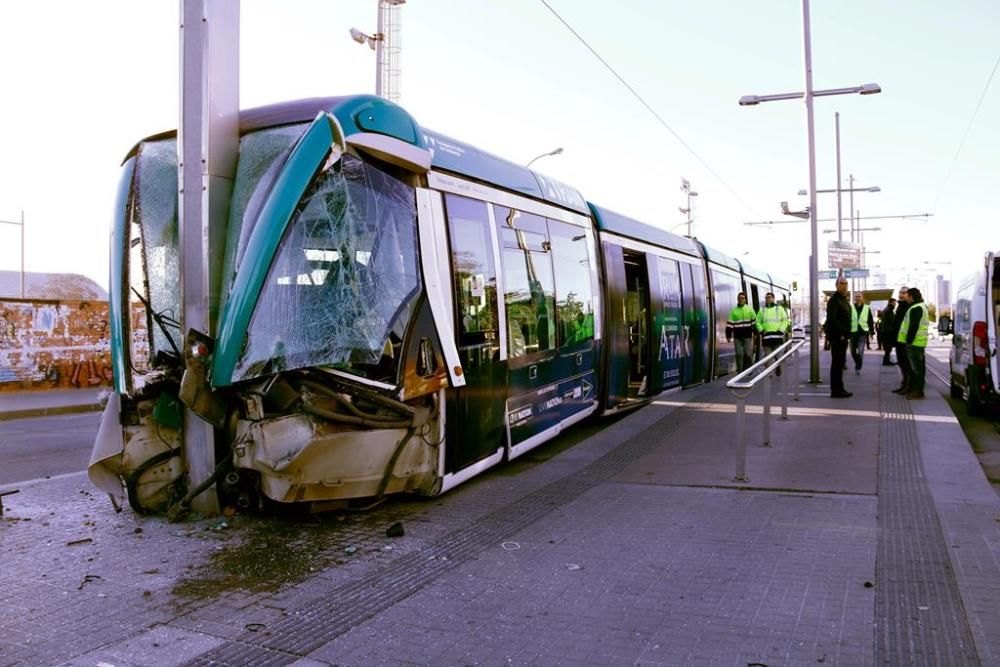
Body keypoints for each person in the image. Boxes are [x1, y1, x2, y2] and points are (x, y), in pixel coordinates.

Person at [826, 276, 853, 398]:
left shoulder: (843, 299)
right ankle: (836, 390)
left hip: (843, 337)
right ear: (836, 285)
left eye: (846, 283)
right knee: (837, 363)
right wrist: (841, 334)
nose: (844, 286)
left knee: (840, 363)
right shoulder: (834, 300)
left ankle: (839, 388)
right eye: (841, 283)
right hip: (838, 338)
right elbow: (832, 319)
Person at [901, 287, 929, 399]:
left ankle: (918, 392)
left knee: (916, 369)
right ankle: (918, 391)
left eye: (907, 296)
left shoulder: (915, 308)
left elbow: (913, 327)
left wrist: (908, 341)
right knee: (919, 368)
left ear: (911, 297)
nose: (905, 298)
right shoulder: (922, 306)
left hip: (914, 343)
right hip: (920, 342)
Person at [755, 292, 789, 375]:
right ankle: (769, 373)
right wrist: (762, 331)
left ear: (773, 298)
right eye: (766, 298)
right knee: (767, 357)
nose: (768, 299)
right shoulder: (762, 310)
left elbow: (785, 320)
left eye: (769, 297)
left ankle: (778, 366)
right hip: (766, 338)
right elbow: (757, 322)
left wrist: (781, 330)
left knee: (778, 355)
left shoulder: (779, 309)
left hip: (777, 337)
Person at [725, 291, 756, 373]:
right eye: (739, 298)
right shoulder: (733, 311)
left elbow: (754, 323)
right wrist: (728, 335)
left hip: (747, 336)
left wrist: (755, 334)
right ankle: (740, 371)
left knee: (748, 354)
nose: (740, 300)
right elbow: (729, 324)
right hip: (737, 337)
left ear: (745, 300)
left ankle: (750, 368)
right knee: (738, 354)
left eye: (742, 298)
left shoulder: (750, 310)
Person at [892, 287, 912, 394]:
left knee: (906, 364)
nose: (901, 294)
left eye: (904, 293)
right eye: (900, 292)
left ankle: (908, 386)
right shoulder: (900, 306)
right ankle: (904, 384)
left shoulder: (909, 307)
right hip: (899, 340)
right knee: (901, 363)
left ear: (908, 295)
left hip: (905, 341)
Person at [849, 291, 874, 375]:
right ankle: (858, 362)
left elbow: (870, 321)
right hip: (853, 332)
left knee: (860, 351)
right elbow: (848, 320)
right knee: (852, 351)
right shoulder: (851, 307)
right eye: (856, 296)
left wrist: (872, 332)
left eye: (859, 296)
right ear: (854, 298)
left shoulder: (867, 308)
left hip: (863, 332)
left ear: (862, 298)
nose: (857, 298)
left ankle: (858, 366)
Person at [879, 298, 897, 365]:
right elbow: (893, 321)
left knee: (887, 348)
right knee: (888, 348)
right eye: (894, 303)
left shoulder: (886, 309)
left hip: (885, 331)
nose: (895, 305)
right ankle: (886, 361)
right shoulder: (889, 310)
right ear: (891, 302)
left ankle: (886, 361)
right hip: (888, 332)